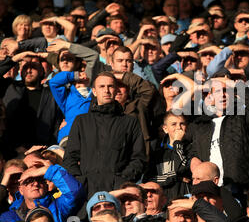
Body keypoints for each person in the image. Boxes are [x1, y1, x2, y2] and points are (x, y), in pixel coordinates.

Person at [62, 71, 147, 203]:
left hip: (118, 193)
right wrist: (80, 182)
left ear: (116, 90)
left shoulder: (130, 122)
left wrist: (121, 181)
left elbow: (138, 158)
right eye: (102, 86)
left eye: (110, 86)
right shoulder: (81, 121)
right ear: (94, 92)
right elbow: (70, 158)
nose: (106, 90)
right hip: (85, 194)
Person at [0, 159, 85, 222]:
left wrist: (48, 170)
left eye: (40, 179)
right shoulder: (8, 218)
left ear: (46, 186)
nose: (36, 183)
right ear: (21, 190)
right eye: (29, 181)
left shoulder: (59, 207)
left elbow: (75, 192)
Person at [0, 51, 63, 160]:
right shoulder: (10, 87)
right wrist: (16, 58)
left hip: (41, 152)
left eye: (33, 67)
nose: (28, 71)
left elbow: (56, 125)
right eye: (25, 67)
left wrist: (47, 149)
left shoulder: (51, 94)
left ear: (42, 71)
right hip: (11, 151)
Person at [142, 111, 190, 201]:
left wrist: (177, 143)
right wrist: (175, 177)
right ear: (165, 129)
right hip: (163, 202)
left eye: (182, 124)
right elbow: (148, 181)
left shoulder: (192, 149)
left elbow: (183, 169)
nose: (178, 128)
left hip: (185, 199)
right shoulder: (157, 154)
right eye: (174, 124)